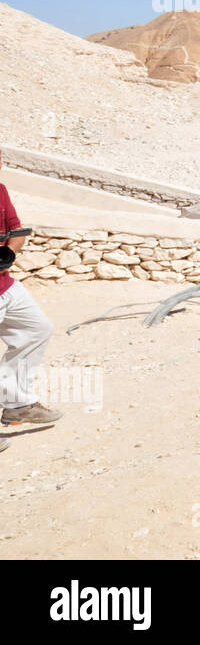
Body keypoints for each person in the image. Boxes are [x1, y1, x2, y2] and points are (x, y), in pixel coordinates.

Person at [0, 151, 64, 447]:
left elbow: (17, 231)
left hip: (5, 285)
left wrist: (8, 254)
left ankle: (17, 404)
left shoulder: (0, 191)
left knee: (36, 329)